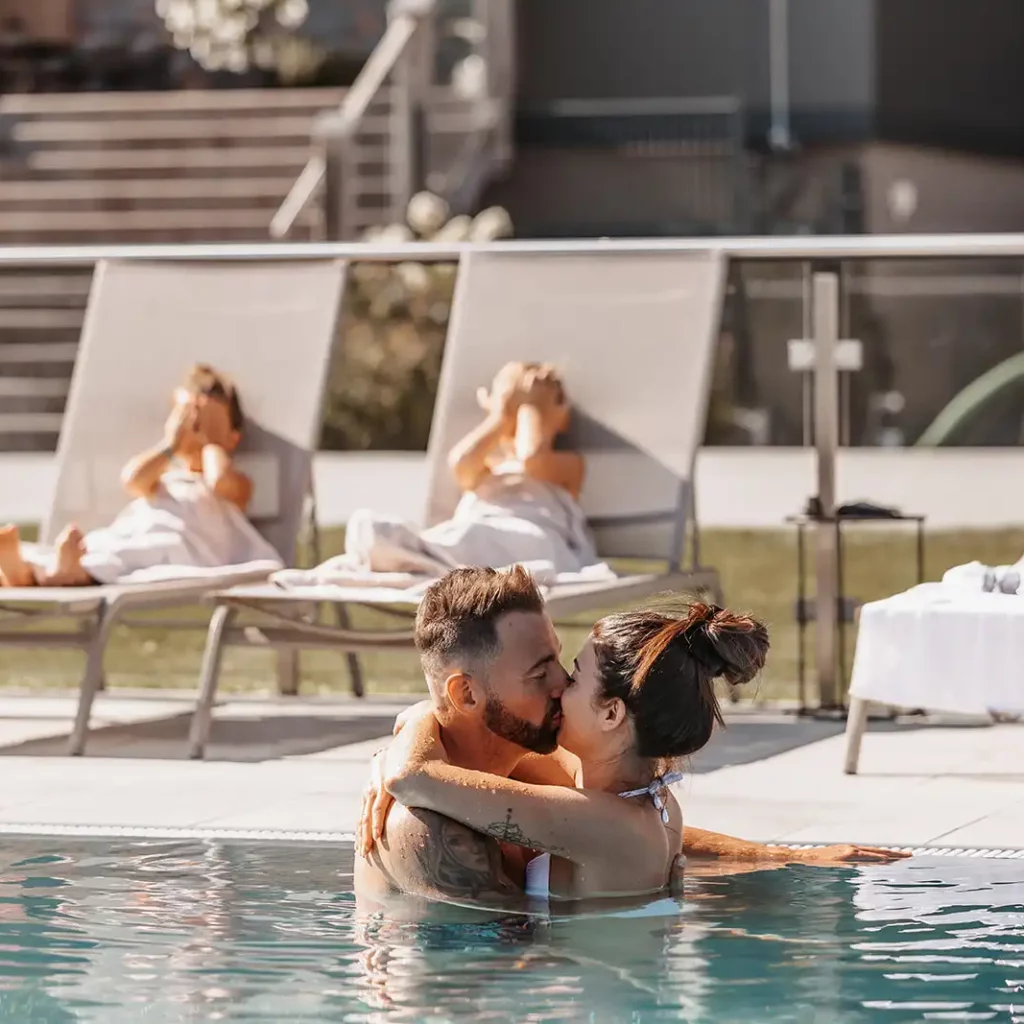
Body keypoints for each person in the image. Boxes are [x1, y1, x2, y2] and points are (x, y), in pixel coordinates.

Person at [354, 566, 904, 911]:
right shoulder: (426, 827)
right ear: (467, 696)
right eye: (540, 672)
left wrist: (781, 857)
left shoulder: (527, 771)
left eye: (562, 665)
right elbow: (491, 976)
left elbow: (603, 822)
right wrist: (409, 738)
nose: (561, 685)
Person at [0, 364, 279, 588]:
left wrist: (212, 441)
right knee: (107, 544)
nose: (195, 427)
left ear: (234, 437)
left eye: (204, 420)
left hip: (179, 544)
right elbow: (132, 479)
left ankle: (61, 573)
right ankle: (24, 572)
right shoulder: (165, 476)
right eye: (187, 418)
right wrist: (171, 445)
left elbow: (219, 481)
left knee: (135, 553)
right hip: (142, 528)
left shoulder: (236, 484)